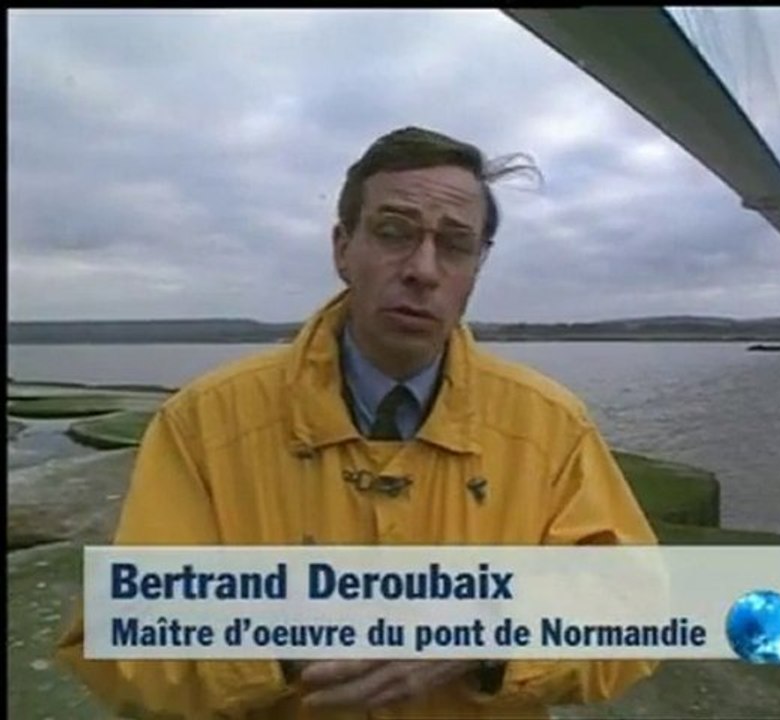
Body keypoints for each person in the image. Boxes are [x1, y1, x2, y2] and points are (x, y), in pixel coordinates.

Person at [55, 126, 660, 719]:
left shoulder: (550, 425)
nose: (423, 269)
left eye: (455, 244)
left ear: (478, 264)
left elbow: (636, 608)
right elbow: (119, 644)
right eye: (394, 232)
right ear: (343, 248)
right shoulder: (205, 422)